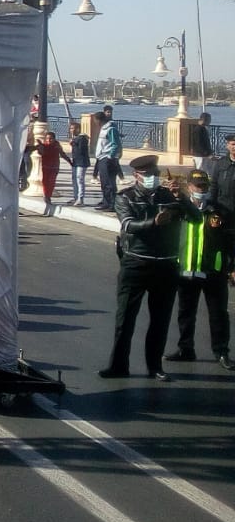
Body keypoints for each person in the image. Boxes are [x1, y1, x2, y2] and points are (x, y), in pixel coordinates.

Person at [101, 155, 182, 381]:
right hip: (136, 262)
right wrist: (153, 222)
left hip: (165, 264)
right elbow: (128, 225)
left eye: (155, 174)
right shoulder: (125, 197)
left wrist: (182, 198)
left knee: (160, 320)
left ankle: (155, 366)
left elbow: (194, 218)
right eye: (147, 175)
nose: (152, 178)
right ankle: (118, 365)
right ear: (136, 175)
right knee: (125, 318)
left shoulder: (168, 196)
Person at [165, 170, 234, 370]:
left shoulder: (219, 211)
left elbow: (231, 241)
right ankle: (185, 349)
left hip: (213, 271)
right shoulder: (180, 209)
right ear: (189, 187)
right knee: (186, 313)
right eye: (197, 186)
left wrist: (232, 267)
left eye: (204, 186)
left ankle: (221, 352)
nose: (201, 189)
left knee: (218, 315)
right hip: (187, 270)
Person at [92, 107, 122, 211]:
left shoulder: (111, 129)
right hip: (101, 158)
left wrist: (110, 156)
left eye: (95, 120)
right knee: (104, 183)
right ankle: (106, 202)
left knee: (109, 183)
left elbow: (115, 144)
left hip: (108, 159)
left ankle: (112, 204)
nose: (95, 123)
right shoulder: (103, 129)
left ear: (99, 120)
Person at [37, 130, 72, 216]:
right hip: (46, 167)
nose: (49, 140)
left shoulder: (57, 145)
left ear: (54, 139)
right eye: (47, 139)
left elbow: (62, 154)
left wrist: (69, 161)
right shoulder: (44, 146)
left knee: (52, 182)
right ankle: (46, 196)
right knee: (45, 182)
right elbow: (41, 153)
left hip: (54, 167)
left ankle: (48, 196)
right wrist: (40, 146)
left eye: (51, 139)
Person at [68, 121, 90, 206]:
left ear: (78, 129)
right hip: (75, 161)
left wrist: (73, 143)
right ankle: (75, 197)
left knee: (79, 179)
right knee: (74, 179)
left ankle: (80, 198)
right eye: (70, 128)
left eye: (73, 128)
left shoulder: (82, 138)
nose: (71, 130)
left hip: (82, 162)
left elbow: (81, 149)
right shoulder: (76, 138)